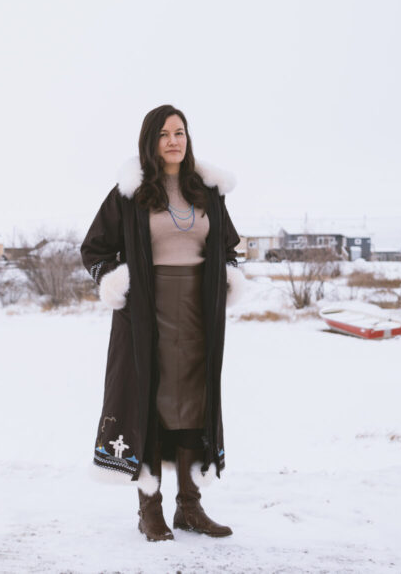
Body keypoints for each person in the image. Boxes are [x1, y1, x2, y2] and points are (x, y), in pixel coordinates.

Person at [80, 104, 245, 542]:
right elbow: (93, 250)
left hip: (198, 313)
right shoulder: (130, 194)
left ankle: (189, 507)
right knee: (148, 400)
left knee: (194, 399)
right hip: (147, 314)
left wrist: (226, 277)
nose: (174, 141)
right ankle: (148, 509)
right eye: (164, 134)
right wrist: (118, 282)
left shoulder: (207, 192)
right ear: (150, 141)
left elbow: (229, 246)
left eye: (180, 132)